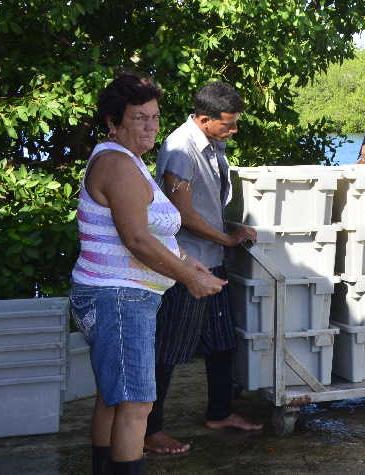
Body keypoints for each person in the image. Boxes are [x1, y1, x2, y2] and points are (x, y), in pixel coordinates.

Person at [69, 73, 226, 475]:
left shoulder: (128, 160)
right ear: (113, 121)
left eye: (155, 117)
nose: (151, 126)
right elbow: (137, 240)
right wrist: (190, 279)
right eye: (139, 117)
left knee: (114, 398)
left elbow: (153, 233)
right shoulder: (116, 164)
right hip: (119, 297)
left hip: (119, 294)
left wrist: (189, 262)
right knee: (136, 404)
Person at [144, 82, 261, 455]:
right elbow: (183, 214)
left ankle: (220, 412)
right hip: (187, 265)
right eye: (228, 124)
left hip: (213, 260)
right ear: (204, 118)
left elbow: (209, 205)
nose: (234, 130)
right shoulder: (181, 149)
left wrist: (226, 235)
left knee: (222, 343)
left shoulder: (213, 143)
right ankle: (150, 429)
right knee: (169, 350)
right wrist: (227, 238)